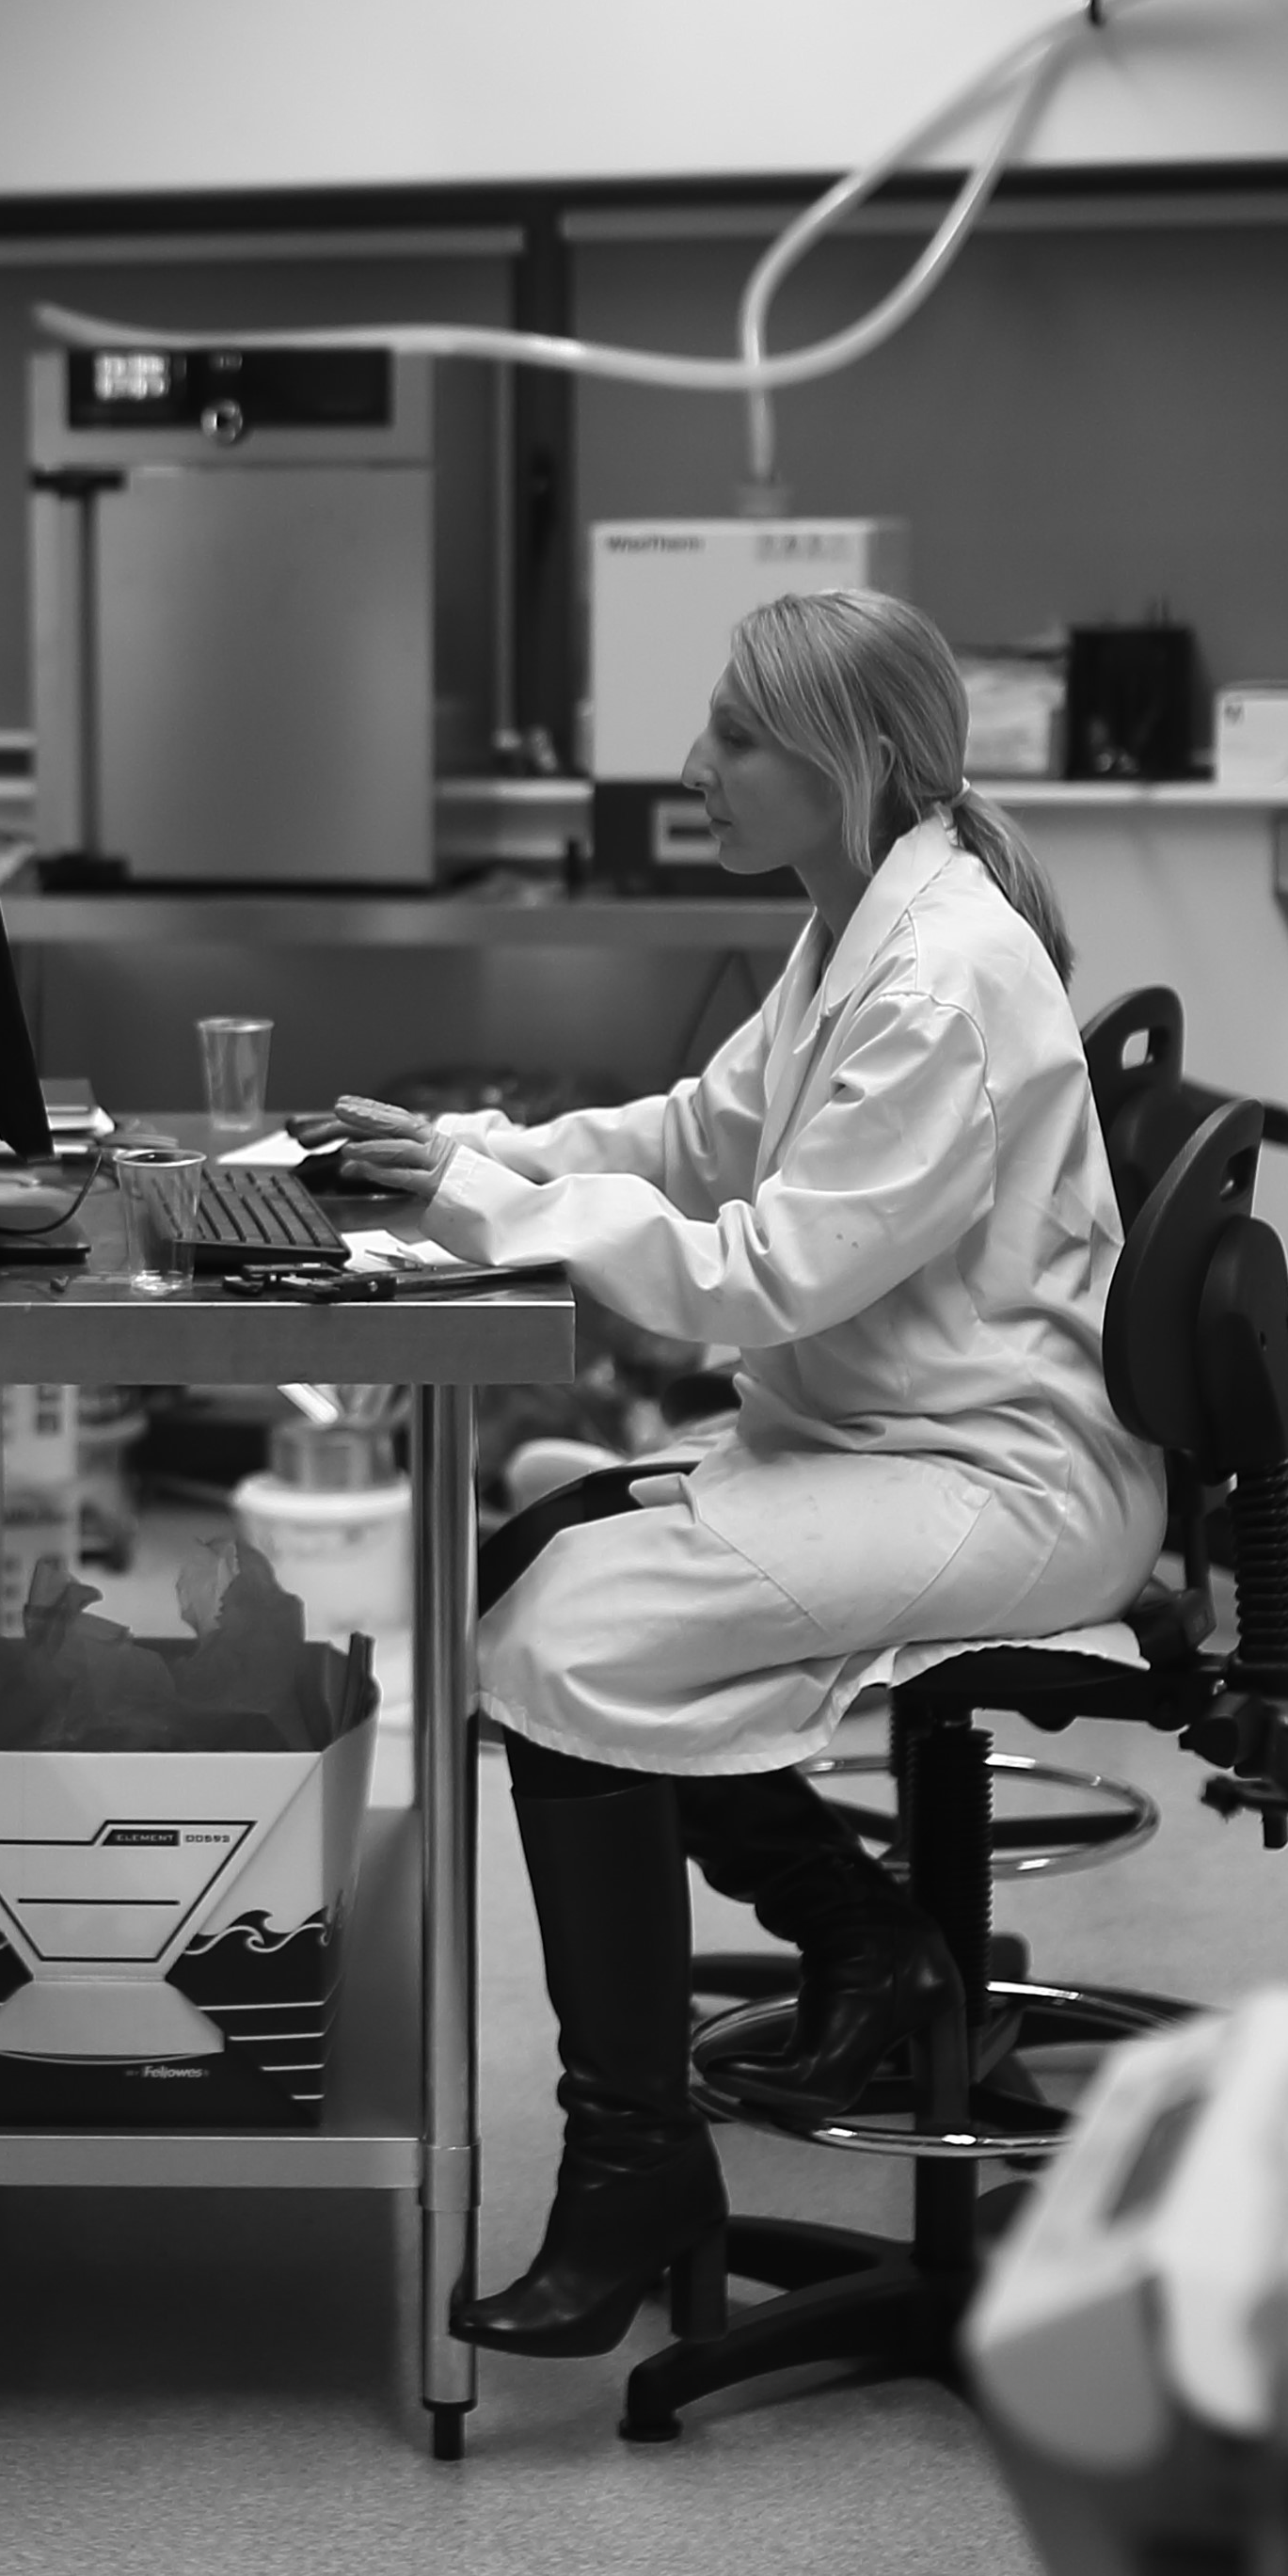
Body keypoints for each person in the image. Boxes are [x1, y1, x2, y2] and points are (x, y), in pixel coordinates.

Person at [336, 588, 1167, 2358]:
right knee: (540, 1545)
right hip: (888, 1438)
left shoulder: (938, 974)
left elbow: (767, 1268)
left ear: (848, 760)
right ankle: (864, 1936)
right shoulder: (858, 919)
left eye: (732, 739)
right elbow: (701, 1133)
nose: (695, 768)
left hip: (1003, 1477)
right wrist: (475, 1153)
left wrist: (487, 1209)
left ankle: (635, 2165)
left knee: (576, 1642)